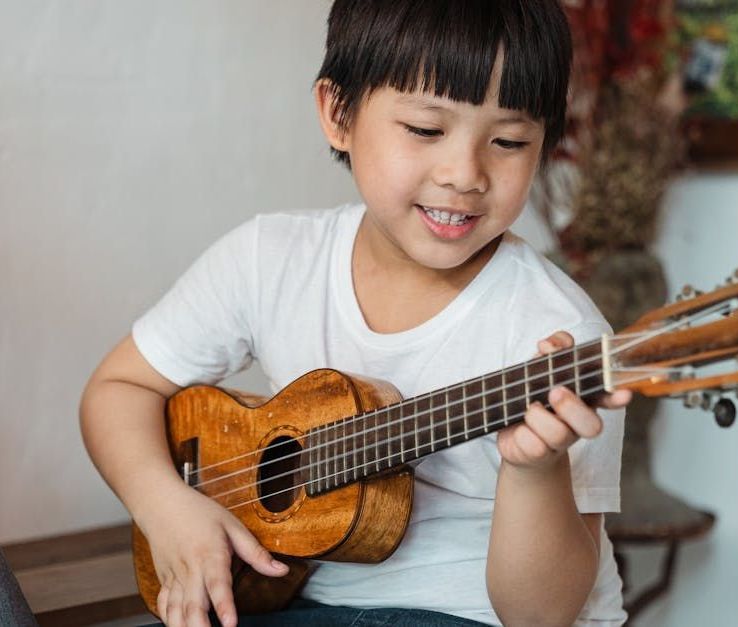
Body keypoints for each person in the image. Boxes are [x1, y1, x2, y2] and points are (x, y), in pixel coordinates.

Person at [80, 1, 632, 625]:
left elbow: (542, 616)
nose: (465, 175)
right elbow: (118, 388)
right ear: (338, 115)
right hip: (294, 597)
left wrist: (536, 470)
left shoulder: (560, 338)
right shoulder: (271, 258)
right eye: (426, 130)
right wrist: (165, 507)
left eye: (509, 141)